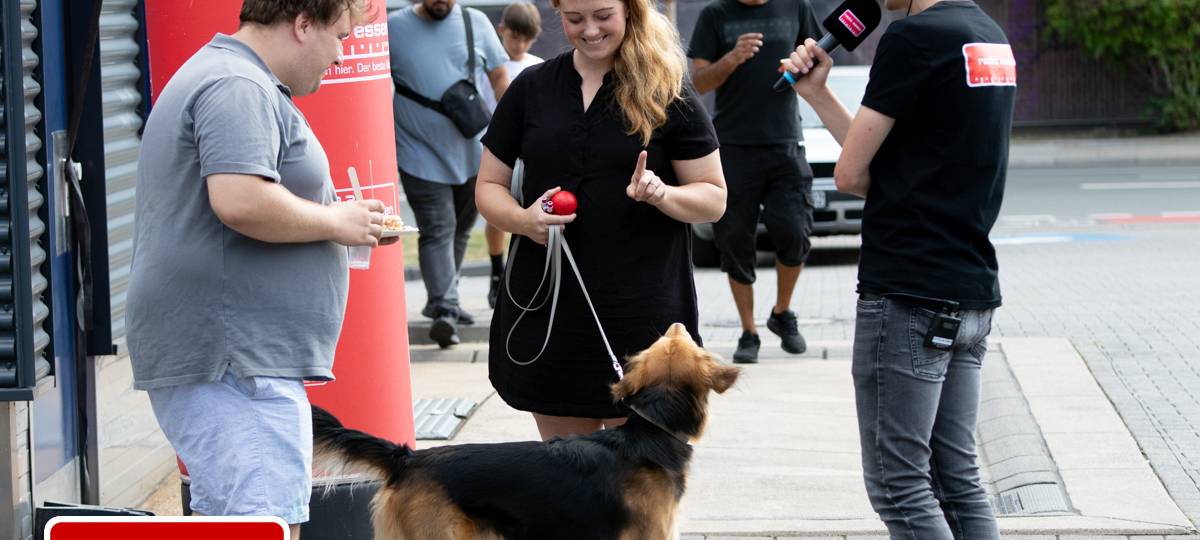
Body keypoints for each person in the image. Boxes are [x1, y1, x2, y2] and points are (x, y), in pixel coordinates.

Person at [126, 1, 387, 536]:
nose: (341, 56)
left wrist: (339, 222)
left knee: (243, 521)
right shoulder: (236, 85)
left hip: (234, 357)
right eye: (340, 37)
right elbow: (240, 200)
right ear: (303, 24)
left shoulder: (233, 77)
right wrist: (334, 221)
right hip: (235, 360)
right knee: (261, 524)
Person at [782, 0, 1016, 537]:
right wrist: (817, 93)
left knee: (899, 484)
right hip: (971, 288)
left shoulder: (912, 37)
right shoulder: (989, 36)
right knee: (958, 480)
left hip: (910, 291)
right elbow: (893, 177)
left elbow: (851, 176)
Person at [475, 0, 727, 441]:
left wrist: (663, 194)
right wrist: (523, 219)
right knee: (566, 469)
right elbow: (488, 186)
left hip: (642, 314)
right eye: (574, 19)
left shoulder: (667, 89)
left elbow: (714, 198)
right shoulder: (532, 88)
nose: (589, 30)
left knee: (642, 472)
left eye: (603, 16)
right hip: (550, 309)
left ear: (630, 10)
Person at [687, 0, 823, 364]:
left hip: (785, 142)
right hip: (732, 146)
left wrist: (802, 66)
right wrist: (733, 58)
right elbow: (698, 82)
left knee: (794, 231)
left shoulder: (796, 7)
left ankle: (782, 312)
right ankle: (749, 332)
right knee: (733, 240)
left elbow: (819, 57)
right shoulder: (715, 14)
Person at [388, 0, 510, 347]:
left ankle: (446, 299)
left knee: (461, 228)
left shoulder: (475, 22)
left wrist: (511, 131)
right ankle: (445, 306)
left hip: (473, 152)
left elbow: (499, 78)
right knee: (438, 227)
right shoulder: (393, 28)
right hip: (417, 152)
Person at [484, 1, 546, 309]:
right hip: (496, 151)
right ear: (501, 31)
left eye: (527, 39)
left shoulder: (539, 66)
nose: (519, 45)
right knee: (498, 210)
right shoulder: (493, 67)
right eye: (514, 38)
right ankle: (497, 268)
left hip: (529, 153)